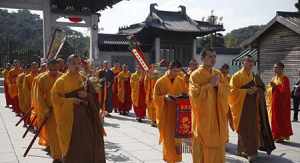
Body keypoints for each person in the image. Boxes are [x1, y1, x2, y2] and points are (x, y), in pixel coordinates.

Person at [51, 54, 106, 163]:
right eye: (73, 63)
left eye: (78, 63)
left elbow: (96, 93)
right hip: (70, 121)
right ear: (68, 64)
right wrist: (71, 101)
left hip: (86, 118)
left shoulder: (84, 78)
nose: (76, 66)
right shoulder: (61, 81)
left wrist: (86, 95)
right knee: (74, 147)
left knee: (88, 144)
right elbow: (55, 101)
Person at [229, 55, 275, 161]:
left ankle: (250, 150)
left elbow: (262, 88)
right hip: (241, 107)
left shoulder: (253, 76)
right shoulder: (236, 76)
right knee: (243, 129)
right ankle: (243, 150)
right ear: (243, 62)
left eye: (252, 62)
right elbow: (231, 92)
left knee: (253, 129)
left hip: (253, 106)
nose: (250, 63)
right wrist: (245, 91)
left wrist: (257, 90)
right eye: (248, 61)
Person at [189, 48, 229, 163]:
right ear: (202, 59)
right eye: (210, 56)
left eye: (214, 56)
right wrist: (209, 85)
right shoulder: (195, 75)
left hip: (218, 118)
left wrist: (218, 87)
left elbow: (226, 91)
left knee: (218, 150)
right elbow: (194, 96)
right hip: (204, 118)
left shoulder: (218, 73)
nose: (213, 59)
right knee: (203, 149)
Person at [153, 61, 188, 163]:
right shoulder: (160, 81)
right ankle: (169, 159)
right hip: (166, 114)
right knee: (168, 139)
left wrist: (184, 96)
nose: (176, 73)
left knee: (178, 139)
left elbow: (186, 93)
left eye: (178, 71)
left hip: (179, 114)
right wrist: (164, 97)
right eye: (174, 71)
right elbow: (155, 98)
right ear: (169, 68)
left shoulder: (180, 80)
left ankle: (177, 159)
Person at [37, 59, 62, 163]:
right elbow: (39, 96)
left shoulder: (63, 77)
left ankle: (64, 154)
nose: (54, 71)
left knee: (63, 133)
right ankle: (56, 157)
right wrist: (45, 109)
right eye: (51, 69)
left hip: (62, 110)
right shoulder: (42, 79)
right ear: (47, 68)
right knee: (53, 134)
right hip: (50, 111)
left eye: (56, 69)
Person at [267, 62, 293, 142]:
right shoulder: (274, 78)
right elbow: (269, 89)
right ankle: (275, 135)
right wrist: (271, 88)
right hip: (274, 102)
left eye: (277, 67)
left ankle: (281, 136)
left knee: (281, 120)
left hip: (282, 104)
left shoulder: (285, 79)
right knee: (274, 120)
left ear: (281, 69)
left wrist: (276, 87)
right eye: (274, 67)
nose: (275, 69)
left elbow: (285, 91)